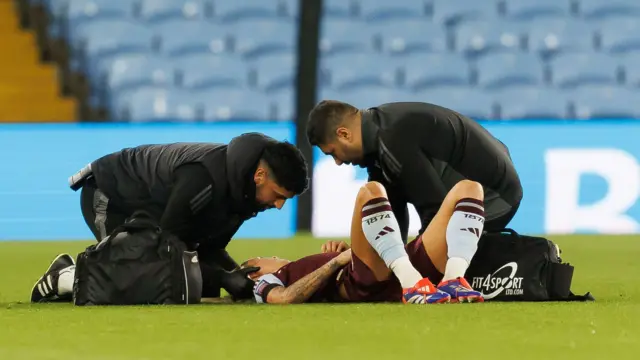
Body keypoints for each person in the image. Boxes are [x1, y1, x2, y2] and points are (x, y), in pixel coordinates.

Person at [30, 133, 309, 303]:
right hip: (109, 195)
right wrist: (225, 279)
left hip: (151, 217)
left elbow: (207, 248)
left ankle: (74, 276)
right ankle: (61, 278)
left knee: (180, 285)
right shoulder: (205, 178)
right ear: (259, 176)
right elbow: (167, 248)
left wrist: (239, 278)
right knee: (142, 274)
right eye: (279, 194)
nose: (280, 205)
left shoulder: (243, 193)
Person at [306, 100, 522, 241]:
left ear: (344, 134)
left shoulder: (393, 139)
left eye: (333, 153)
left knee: (434, 262)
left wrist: (412, 263)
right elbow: (391, 210)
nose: (337, 162)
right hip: (498, 187)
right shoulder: (380, 135)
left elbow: (435, 210)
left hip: (496, 200)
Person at [245, 179, 486, 304]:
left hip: (390, 265)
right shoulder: (266, 282)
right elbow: (285, 299)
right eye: (265, 258)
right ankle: (412, 283)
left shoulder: (303, 267)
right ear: (254, 271)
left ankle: (453, 280)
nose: (274, 257)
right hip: (364, 282)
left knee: (469, 189)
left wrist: (348, 253)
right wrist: (336, 262)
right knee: (370, 191)